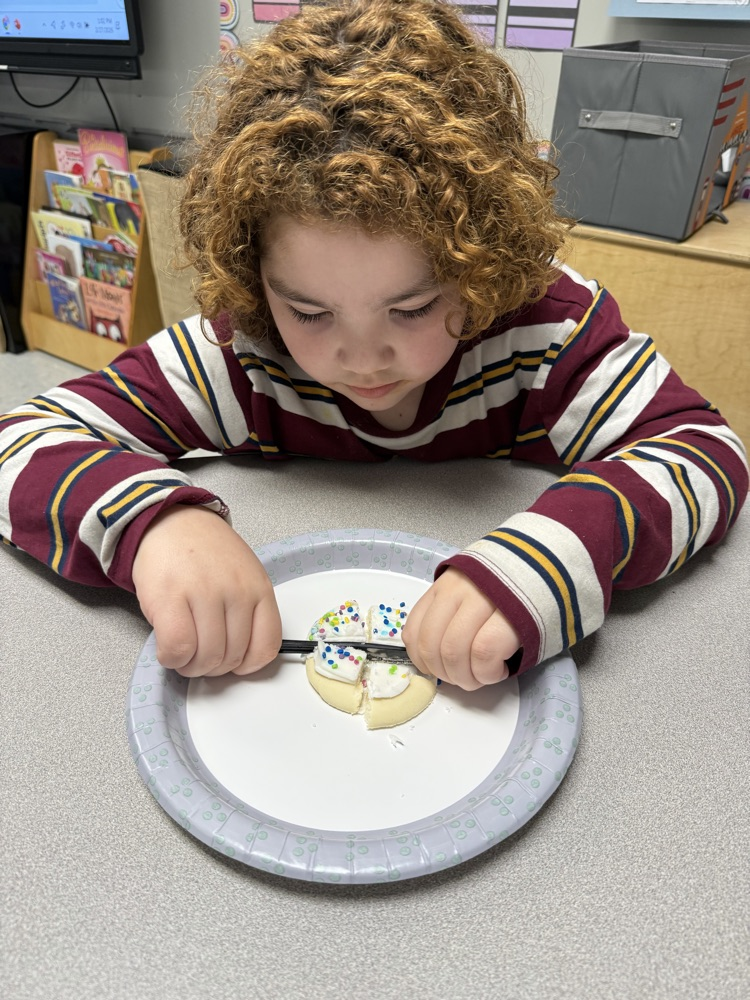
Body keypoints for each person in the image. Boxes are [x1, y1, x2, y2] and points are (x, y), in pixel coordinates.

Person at [0, 0, 746, 691]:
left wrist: (557, 552)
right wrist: (154, 523)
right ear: (254, 277)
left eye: (413, 307)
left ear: (482, 259)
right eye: (309, 312)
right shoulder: (239, 352)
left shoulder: (547, 331)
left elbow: (704, 449)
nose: (361, 359)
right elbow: (21, 440)